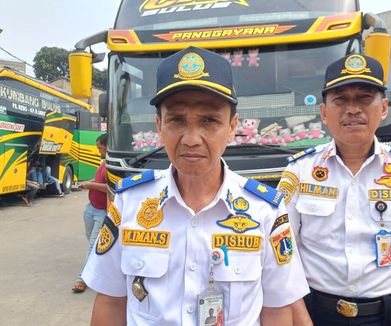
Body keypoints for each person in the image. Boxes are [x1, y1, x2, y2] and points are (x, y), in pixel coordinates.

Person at [81, 46, 310, 325]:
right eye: (177, 120)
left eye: (209, 121)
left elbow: (277, 309)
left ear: (232, 127)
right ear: (159, 125)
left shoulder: (266, 210)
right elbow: (110, 300)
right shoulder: (130, 203)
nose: (191, 139)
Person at [279, 54, 391, 325]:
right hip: (314, 314)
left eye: (364, 98)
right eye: (341, 100)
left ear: (383, 108)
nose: (353, 109)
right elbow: (282, 257)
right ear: (324, 112)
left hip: (386, 317)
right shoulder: (299, 172)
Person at [72, 133, 108, 293]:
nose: (99, 151)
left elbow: (111, 188)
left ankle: (82, 279)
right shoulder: (103, 163)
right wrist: (89, 183)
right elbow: (100, 183)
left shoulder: (111, 166)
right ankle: (98, 267)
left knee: (93, 245)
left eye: (100, 148)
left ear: (108, 146)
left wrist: (90, 185)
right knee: (92, 243)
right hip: (91, 208)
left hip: (101, 212)